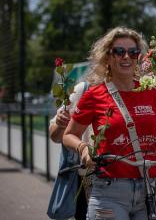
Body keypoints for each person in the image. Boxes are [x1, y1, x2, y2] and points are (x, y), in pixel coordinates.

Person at [63, 26, 156, 220]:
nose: (126, 57)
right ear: (108, 57)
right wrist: (84, 149)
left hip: (152, 188)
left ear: (138, 57)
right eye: (119, 51)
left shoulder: (153, 91)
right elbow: (68, 135)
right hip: (110, 191)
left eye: (133, 52)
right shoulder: (94, 95)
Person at [49, 81, 92, 220]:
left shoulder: (141, 88)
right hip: (86, 179)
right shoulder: (83, 90)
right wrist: (60, 124)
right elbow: (54, 136)